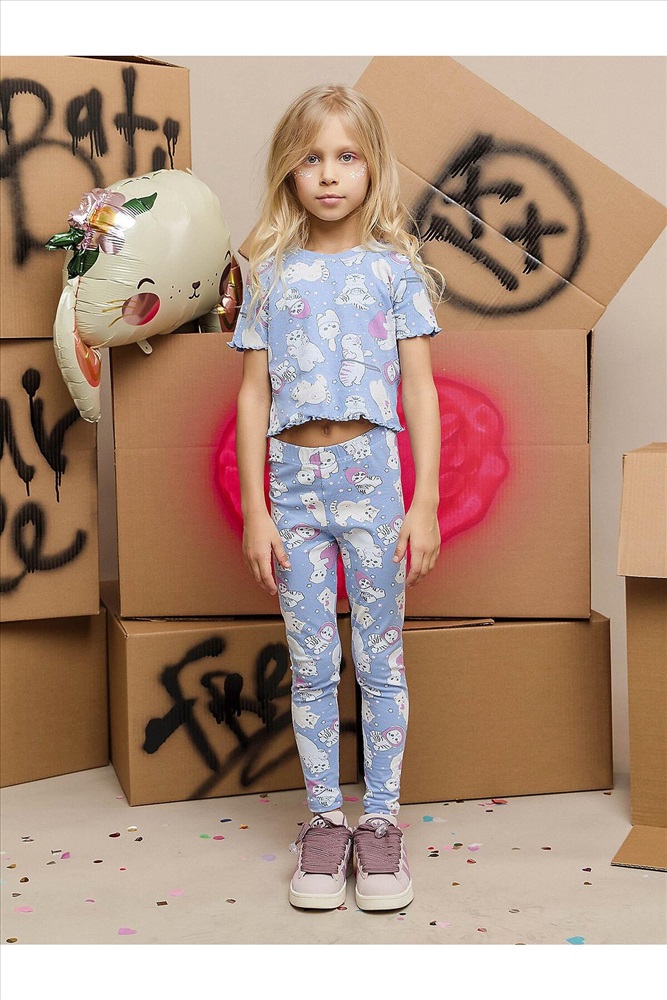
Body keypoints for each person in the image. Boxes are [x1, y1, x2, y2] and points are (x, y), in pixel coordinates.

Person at [229, 84, 444, 912]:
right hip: (292, 488)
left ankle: (379, 823)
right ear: (289, 171)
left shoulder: (394, 272)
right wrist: (256, 509)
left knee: (378, 661)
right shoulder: (268, 274)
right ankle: (324, 822)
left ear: (371, 167)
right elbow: (253, 394)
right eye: (311, 157)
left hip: (372, 480)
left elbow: (419, 390)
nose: (328, 174)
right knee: (314, 664)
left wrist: (424, 503)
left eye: (346, 156)